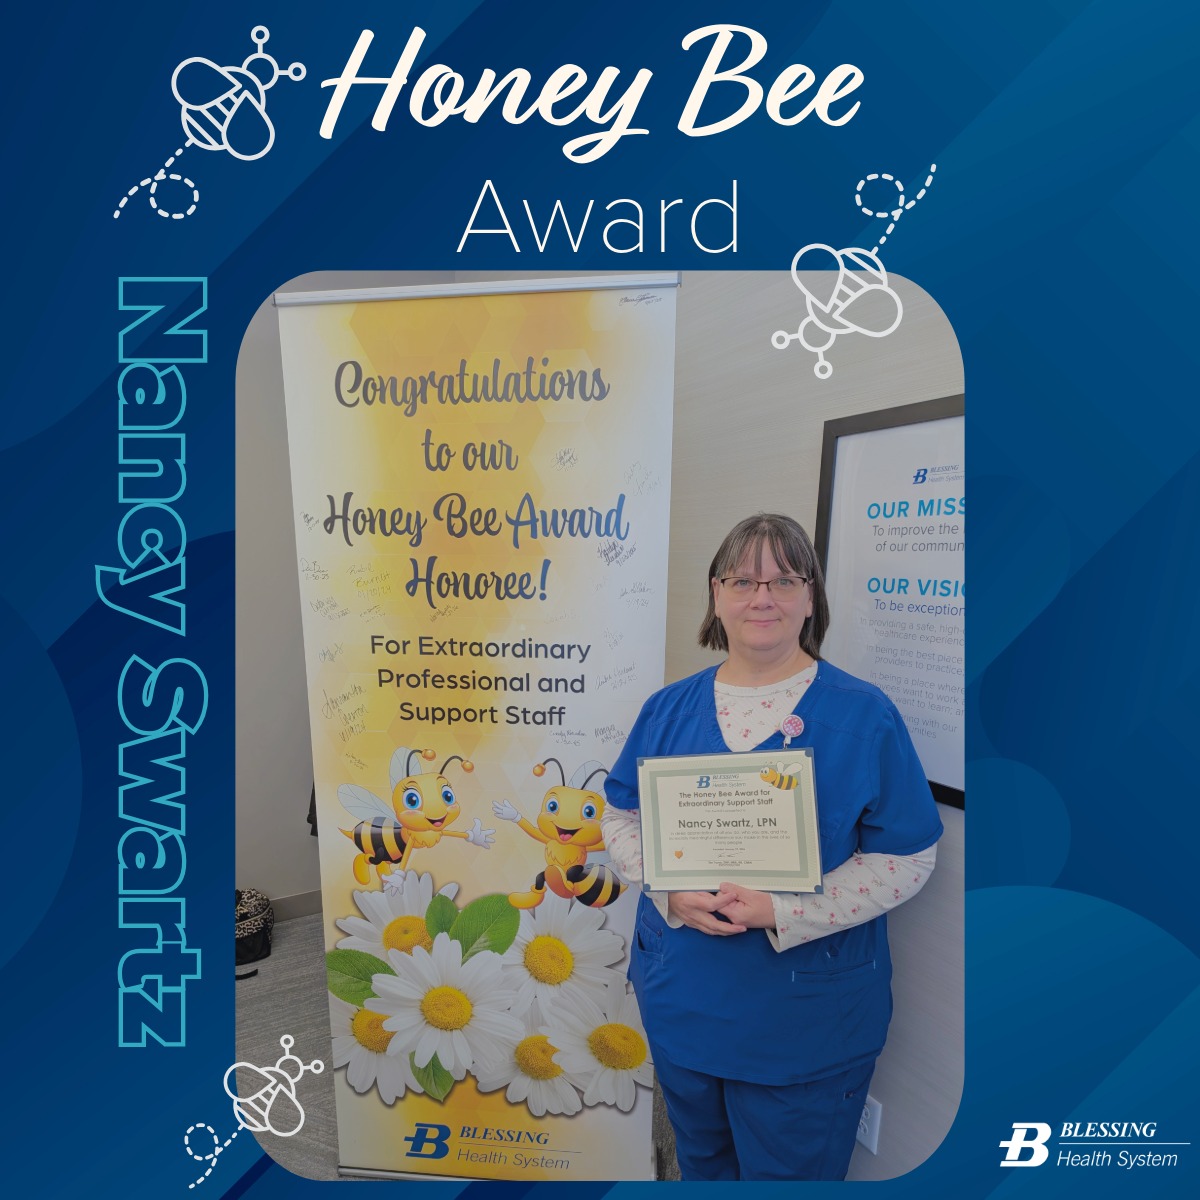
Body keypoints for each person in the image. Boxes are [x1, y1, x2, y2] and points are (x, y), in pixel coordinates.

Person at [602, 513, 943, 1181]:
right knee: (702, 1163)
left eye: (785, 580)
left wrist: (784, 910)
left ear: (810, 597)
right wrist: (666, 887)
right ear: (716, 594)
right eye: (744, 579)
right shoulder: (667, 709)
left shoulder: (864, 714)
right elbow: (620, 816)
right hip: (684, 996)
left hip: (804, 1018)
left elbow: (908, 856)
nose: (763, 597)